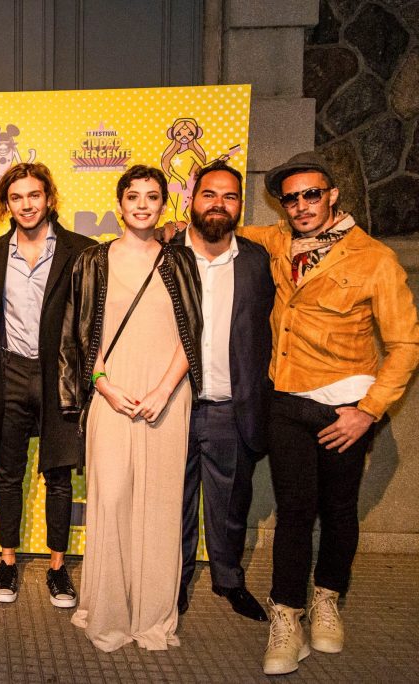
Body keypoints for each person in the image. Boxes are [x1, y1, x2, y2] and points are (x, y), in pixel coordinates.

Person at [240, 152, 419, 675]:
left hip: (347, 408)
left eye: (311, 194)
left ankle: (327, 598)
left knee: (339, 509)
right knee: (295, 511)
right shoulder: (278, 241)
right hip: (286, 400)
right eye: (291, 198)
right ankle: (287, 615)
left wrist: (369, 411)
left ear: (333, 195)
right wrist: (171, 230)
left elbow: (405, 345)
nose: (301, 206)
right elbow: (228, 230)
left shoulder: (374, 259)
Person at [59, 164, 202, 652]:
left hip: (168, 395)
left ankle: (152, 617)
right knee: (112, 498)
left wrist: (164, 391)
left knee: (160, 506)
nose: (143, 205)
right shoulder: (92, 260)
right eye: (134, 196)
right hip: (111, 395)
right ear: (119, 204)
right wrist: (103, 385)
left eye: (152, 196)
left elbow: (192, 333)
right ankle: (108, 611)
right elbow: (82, 332)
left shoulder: (180, 262)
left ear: (164, 204)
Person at [0, 162, 95, 608]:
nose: (26, 205)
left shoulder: (81, 250)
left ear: (49, 198)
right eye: (16, 197)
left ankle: (57, 567)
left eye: (34, 195)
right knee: (9, 472)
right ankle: (7, 561)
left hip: (59, 375)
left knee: (59, 475)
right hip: (10, 372)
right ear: (5, 204)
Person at [169, 161, 273, 621]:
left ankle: (229, 579)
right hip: (172, 404)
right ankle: (174, 581)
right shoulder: (164, 255)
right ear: (192, 200)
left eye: (229, 196)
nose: (218, 204)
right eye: (209, 194)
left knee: (231, 504)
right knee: (174, 502)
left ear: (240, 206)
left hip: (232, 407)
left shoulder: (257, 261)